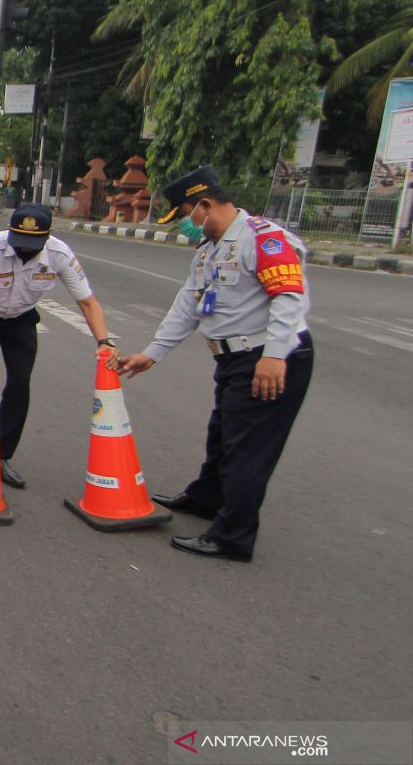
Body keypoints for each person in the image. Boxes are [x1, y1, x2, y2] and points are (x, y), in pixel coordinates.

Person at [117, 166, 314, 562]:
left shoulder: (264, 238)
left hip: (267, 358)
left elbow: (289, 297)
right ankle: (207, 497)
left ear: (205, 206)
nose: (186, 226)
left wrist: (275, 356)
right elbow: (187, 305)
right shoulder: (210, 249)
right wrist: (153, 353)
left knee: (247, 450)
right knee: (223, 434)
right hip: (234, 360)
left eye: (188, 215)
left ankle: (232, 537)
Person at [0, 202, 118, 487]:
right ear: (10, 232)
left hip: (20, 317)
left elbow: (87, 302)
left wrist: (103, 341)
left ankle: (1, 455)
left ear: (48, 236)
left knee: (20, 382)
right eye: (20, 242)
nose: (25, 250)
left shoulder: (59, 254)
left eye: (32, 244)